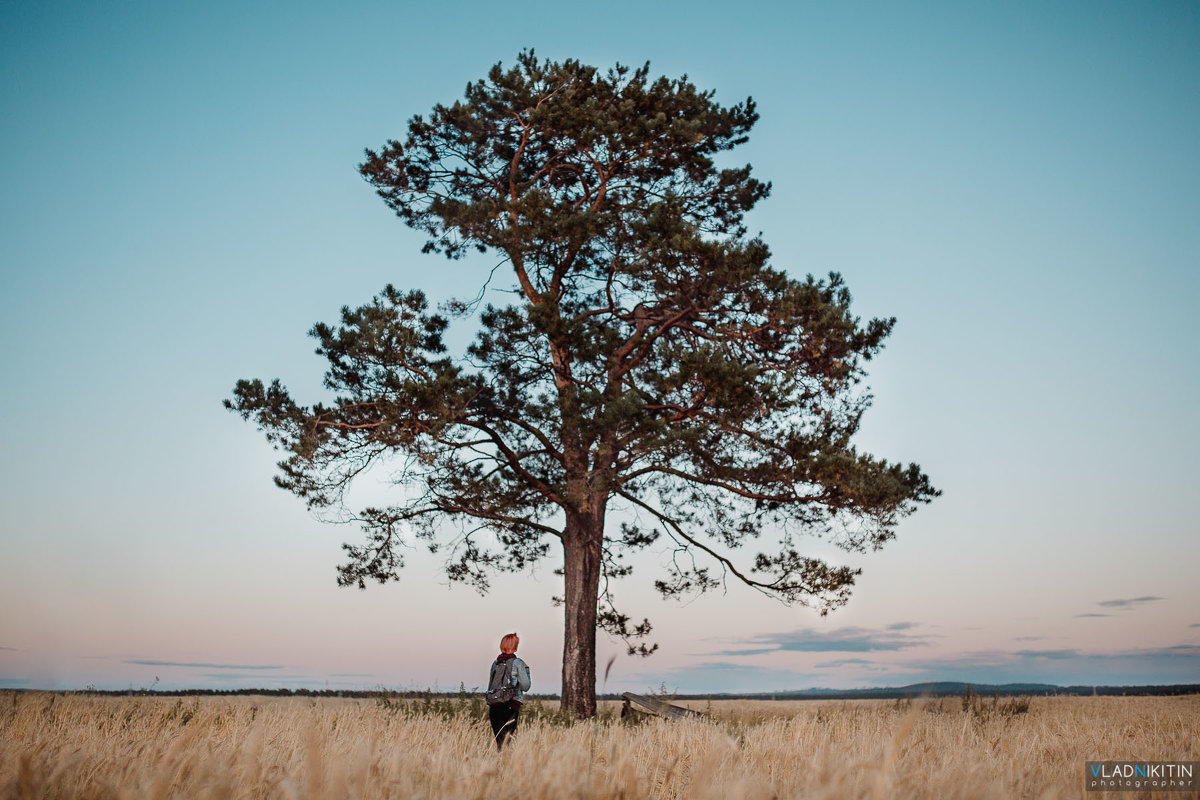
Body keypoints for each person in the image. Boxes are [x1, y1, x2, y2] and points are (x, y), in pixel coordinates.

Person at [487, 632, 531, 751]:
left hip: (494, 706)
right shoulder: (517, 663)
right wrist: (526, 670)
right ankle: (505, 766)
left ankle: (498, 766)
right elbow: (525, 686)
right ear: (515, 646)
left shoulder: (495, 663)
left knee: (499, 743)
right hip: (510, 705)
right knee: (506, 742)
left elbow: (491, 685)